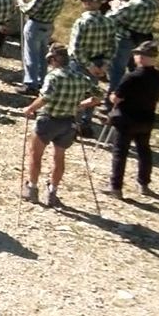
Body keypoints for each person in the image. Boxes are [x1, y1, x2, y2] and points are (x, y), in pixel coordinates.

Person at [21, 44, 101, 207]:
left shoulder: (53, 76)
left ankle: (32, 188)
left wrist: (30, 109)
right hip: (69, 122)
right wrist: (80, 105)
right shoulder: (81, 78)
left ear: (56, 59)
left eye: (50, 59)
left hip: (48, 120)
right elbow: (98, 96)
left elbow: (45, 98)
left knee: (35, 155)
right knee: (59, 157)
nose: (49, 62)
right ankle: (53, 191)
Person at [105, 40, 159, 199]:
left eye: (138, 54)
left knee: (120, 153)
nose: (135, 56)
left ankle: (116, 187)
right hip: (146, 119)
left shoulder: (131, 77)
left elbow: (117, 98)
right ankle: (144, 184)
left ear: (142, 57)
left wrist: (112, 97)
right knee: (144, 151)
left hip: (127, 119)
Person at [18, 0, 65, 93]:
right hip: (49, 24)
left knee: (31, 55)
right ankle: (42, 80)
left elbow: (30, 10)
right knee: (43, 55)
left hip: (36, 25)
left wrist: (21, 4)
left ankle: (30, 83)